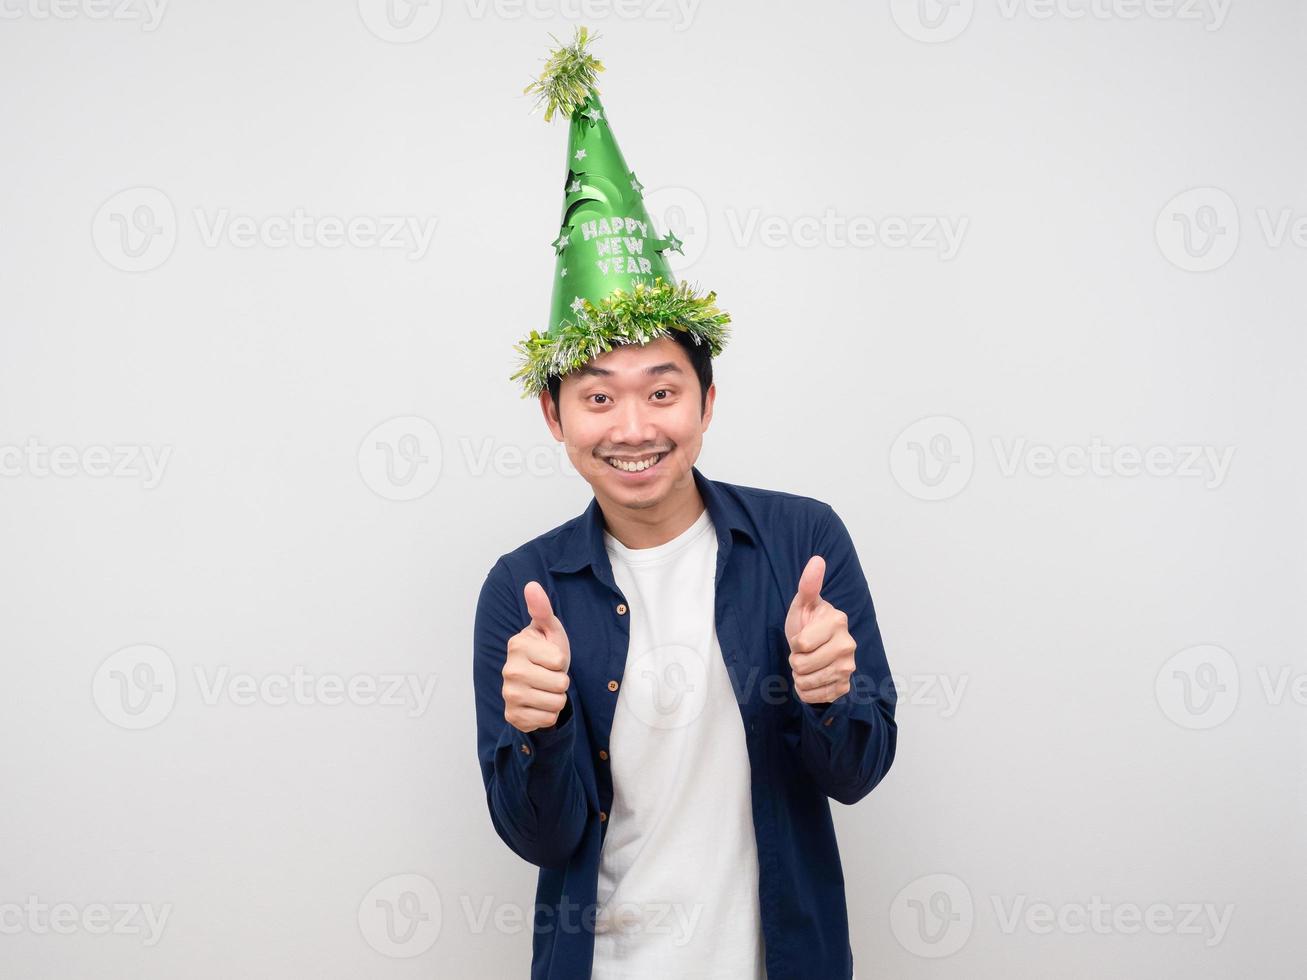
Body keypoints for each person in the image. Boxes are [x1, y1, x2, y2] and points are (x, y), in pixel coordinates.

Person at [472, 28, 896, 980]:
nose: (633, 426)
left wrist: (830, 696)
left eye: (662, 391)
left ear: (706, 403)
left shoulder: (802, 542)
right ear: (554, 414)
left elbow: (859, 775)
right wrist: (534, 730)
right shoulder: (522, 588)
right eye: (597, 396)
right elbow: (538, 840)